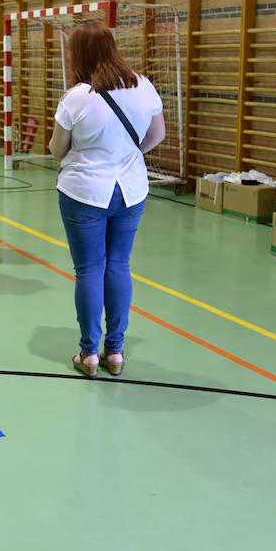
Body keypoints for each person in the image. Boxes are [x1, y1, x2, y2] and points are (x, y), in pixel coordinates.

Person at [48, 22, 165, 378]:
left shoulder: (76, 98)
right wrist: (125, 156)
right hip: (131, 190)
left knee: (89, 269)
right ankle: (115, 350)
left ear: (79, 54)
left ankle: (89, 354)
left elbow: (56, 150)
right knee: (118, 265)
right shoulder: (143, 86)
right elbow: (157, 134)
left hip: (84, 191)